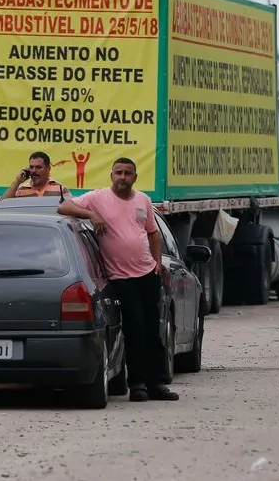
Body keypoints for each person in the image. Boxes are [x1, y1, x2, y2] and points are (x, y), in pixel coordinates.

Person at [57, 158, 177, 402]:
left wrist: (157, 262)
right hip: (121, 278)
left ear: (135, 177)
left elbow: (153, 233)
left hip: (146, 273)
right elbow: (63, 208)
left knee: (154, 331)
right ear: (111, 175)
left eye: (128, 173)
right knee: (135, 329)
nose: (123, 177)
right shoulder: (98, 198)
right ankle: (138, 385)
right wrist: (92, 215)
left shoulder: (142, 200)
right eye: (119, 173)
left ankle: (157, 384)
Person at [2, 151, 68, 199]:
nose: (33, 171)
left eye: (38, 167)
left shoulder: (60, 189)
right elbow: (3, 206)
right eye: (31, 167)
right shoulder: (21, 190)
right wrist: (17, 181)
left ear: (48, 169)